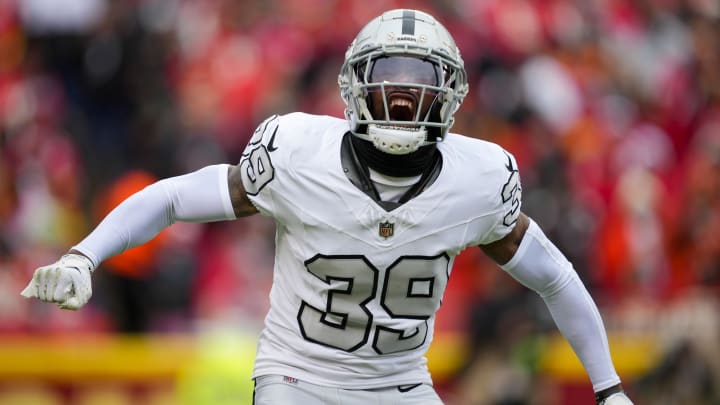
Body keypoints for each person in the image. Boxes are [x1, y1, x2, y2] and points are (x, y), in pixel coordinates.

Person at [21, 9, 633, 405]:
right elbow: (178, 195)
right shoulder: (296, 153)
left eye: (420, 83)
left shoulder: (478, 180)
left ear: (450, 95)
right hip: (299, 381)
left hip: (401, 385)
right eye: (388, 80)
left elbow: (555, 277)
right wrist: (84, 255)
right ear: (353, 87)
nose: (403, 98)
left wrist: (609, 390)